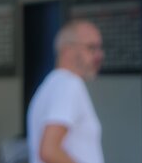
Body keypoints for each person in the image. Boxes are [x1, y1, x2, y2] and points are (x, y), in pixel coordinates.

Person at [27, 20, 106, 163]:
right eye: (91, 48)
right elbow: (49, 150)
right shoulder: (69, 84)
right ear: (67, 50)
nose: (99, 55)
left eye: (100, 48)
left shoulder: (51, 85)